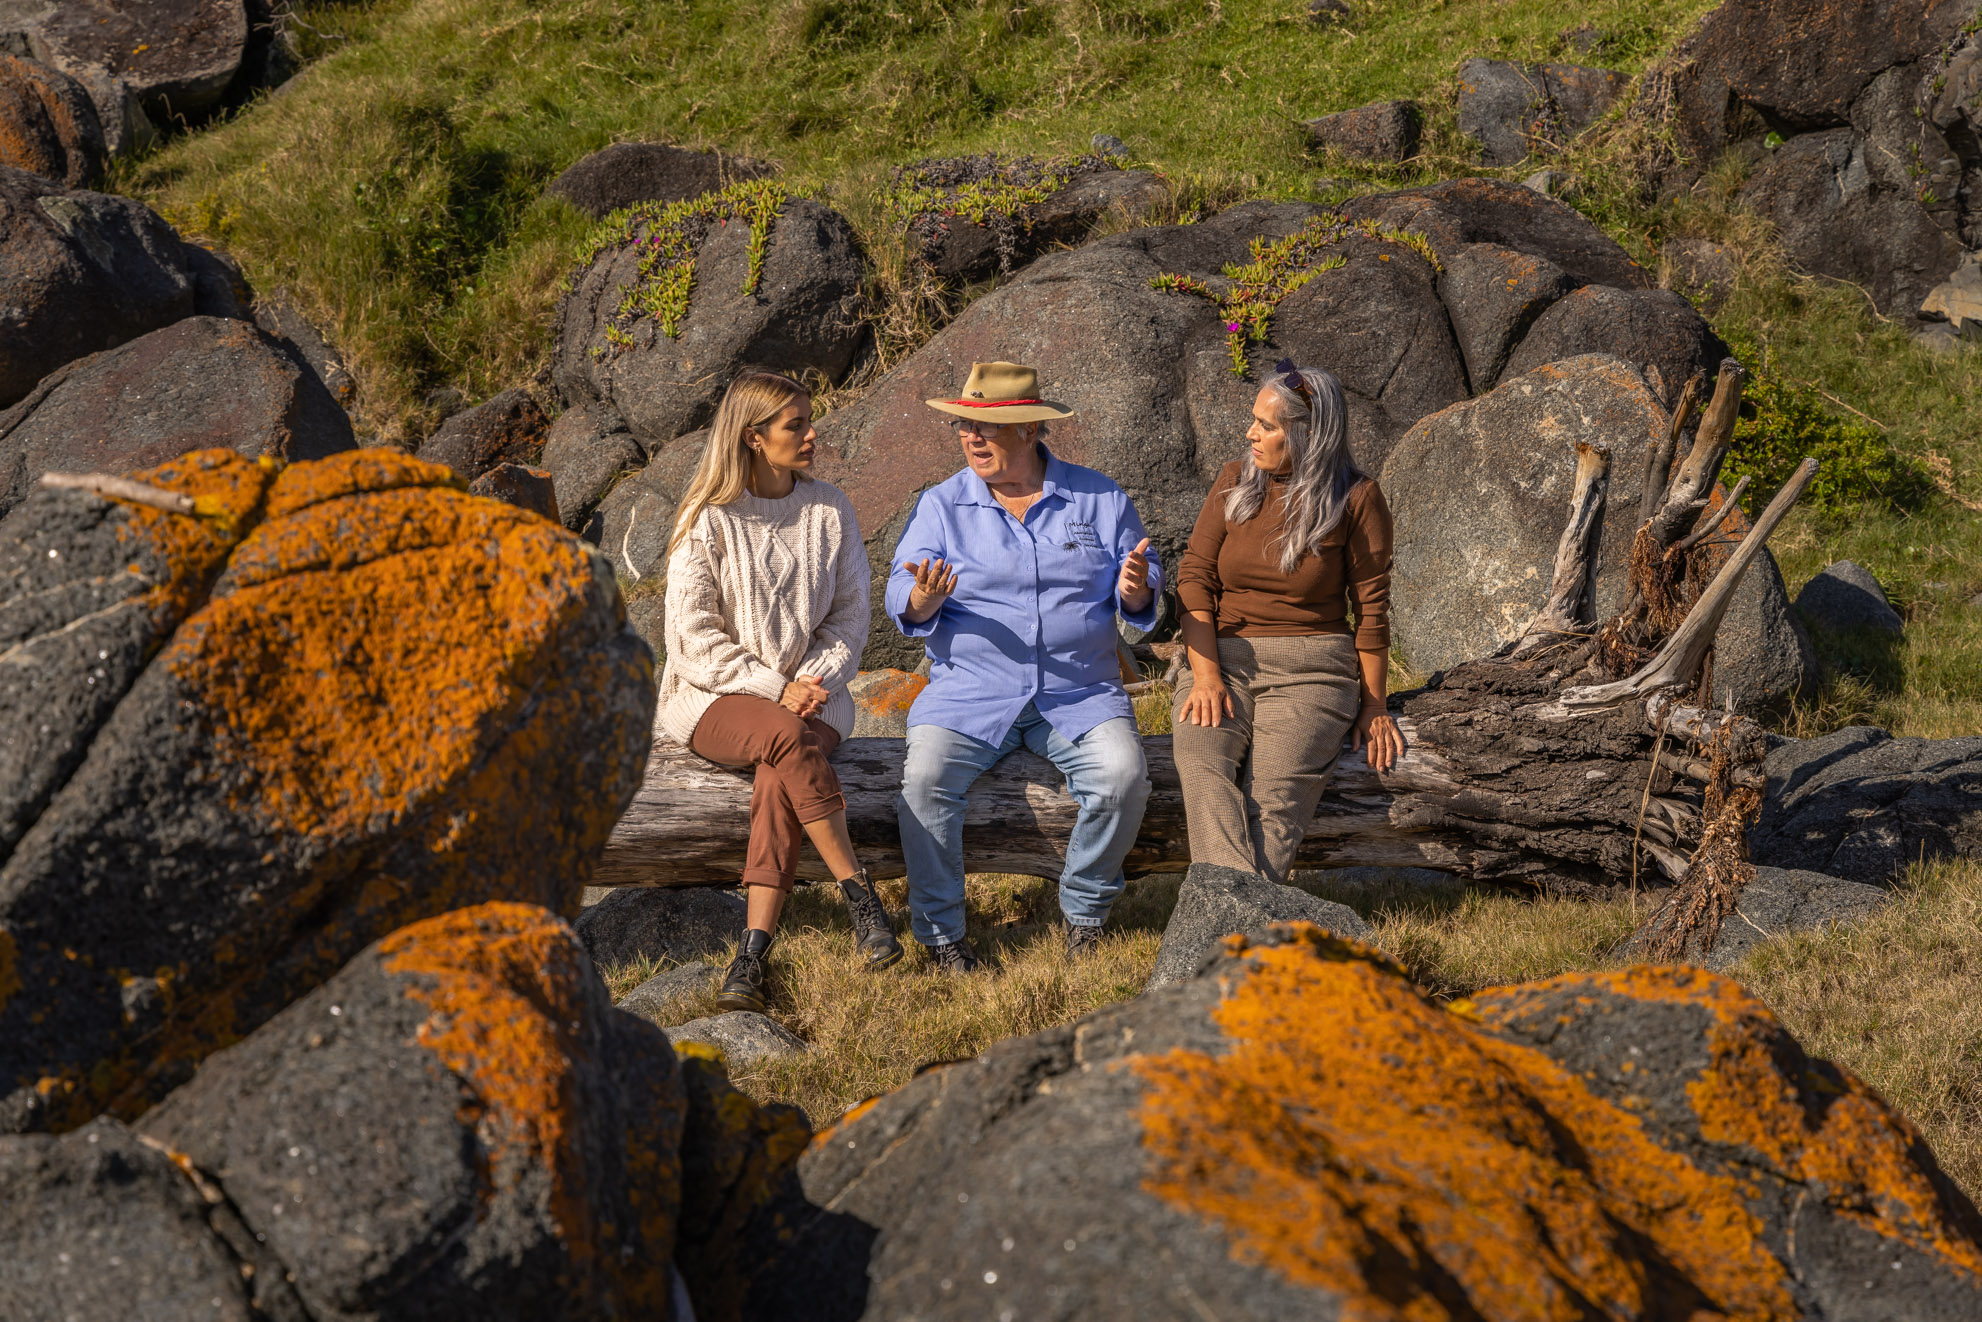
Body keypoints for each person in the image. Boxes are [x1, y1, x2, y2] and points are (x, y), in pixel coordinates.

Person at [889, 361, 1161, 971]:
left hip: (1079, 691)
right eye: (964, 426)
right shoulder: (941, 505)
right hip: (969, 693)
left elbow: (1144, 585)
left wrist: (1137, 589)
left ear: (1030, 429)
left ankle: (1085, 915)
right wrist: (923, 598)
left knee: (1123, 778)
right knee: (924, 783)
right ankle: (941, 937)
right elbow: (899, 592)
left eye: (985, 427)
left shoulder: (1100, 498)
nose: (971, 438)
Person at [658, 369, 902, 1013]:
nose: (813, 434)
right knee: (786, 738)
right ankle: (861, 896)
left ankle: (752, 953)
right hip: (714, 697)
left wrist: (809, 682)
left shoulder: (830, 509)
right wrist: (774, 687)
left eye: (809, 420)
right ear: (754, 437)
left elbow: (850, 618)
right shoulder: (706, 520)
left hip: (814, 696)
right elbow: (691, 639)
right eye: (797, 425)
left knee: (779, 772)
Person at [1171, 359, 1404, 884]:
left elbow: (1371, 611)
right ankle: (1242, 918)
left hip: (1313, 670)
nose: (1250, 434)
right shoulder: (1234, 480)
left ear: (1307, 434)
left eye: (1266, 425)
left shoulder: (1357, 498)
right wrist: (1205, 676)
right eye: (1254, 420)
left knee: (1273, 804)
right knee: (1203, 769)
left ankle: (1221, 918)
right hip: (1221, 660)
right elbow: (1194, 577)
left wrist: (1374, 706)